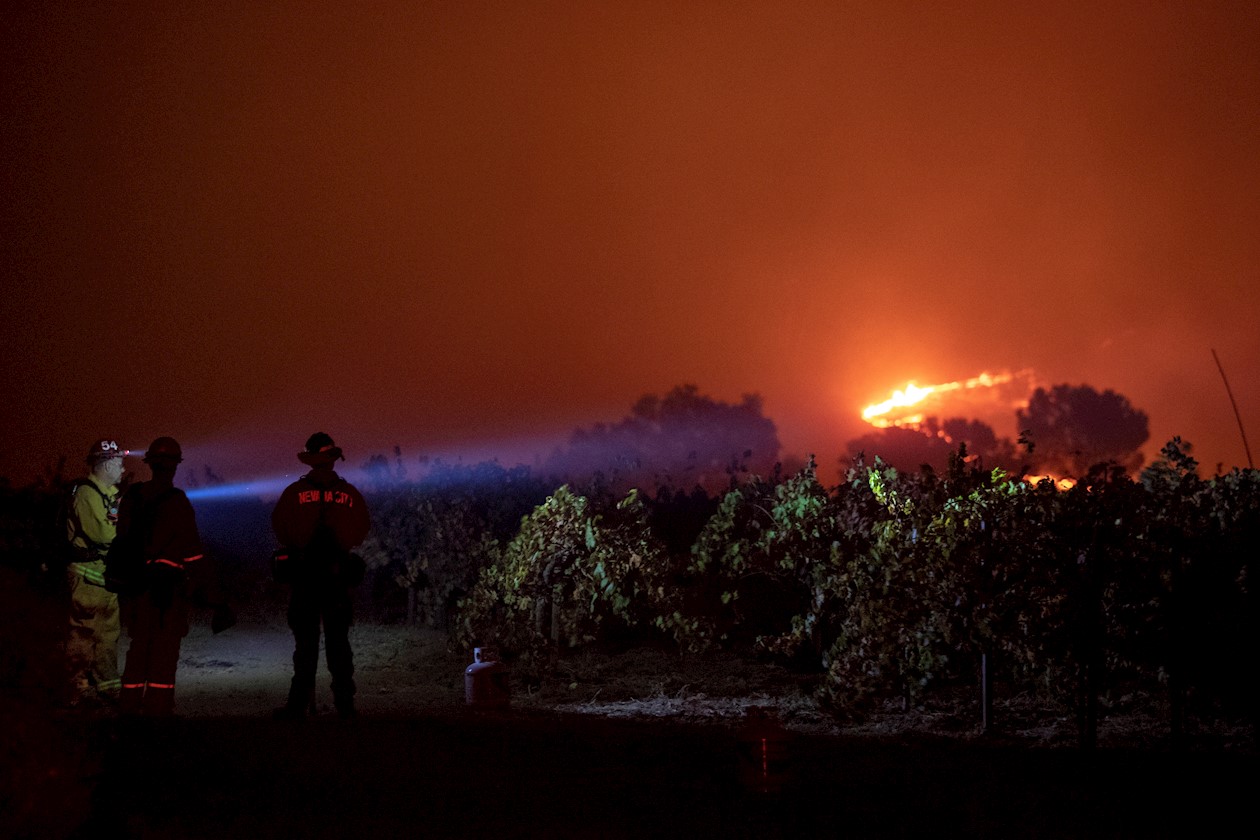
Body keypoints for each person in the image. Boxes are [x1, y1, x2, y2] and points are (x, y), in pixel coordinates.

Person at [116, 436, 234, 717]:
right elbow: (193, 553)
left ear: (151, 464)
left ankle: (129, 707)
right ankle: (158, 708)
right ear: (174, 467)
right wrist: (214, 596)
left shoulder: (132, 497)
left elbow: (121, 538)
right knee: (164, 650)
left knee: (138, 646)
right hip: (167, 590)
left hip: (136, 586)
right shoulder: (177, 502)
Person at [271, 432, 371, 720]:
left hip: (304, 577)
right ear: (333, 460)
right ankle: (345, 704)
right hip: (337, 578)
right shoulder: (350, 494)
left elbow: (280, 528)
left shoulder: (293, 493)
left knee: (305, 644)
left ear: (311, 461)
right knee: (338, 642)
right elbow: (361, 529)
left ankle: (298, 704)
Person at [64, 439, 126, 706]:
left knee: (107, 635)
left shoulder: (108, 493)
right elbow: (103, 534)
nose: (123, 469)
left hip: (104, 579)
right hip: (87, 577)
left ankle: (108, 686)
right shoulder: (87, 494)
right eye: (120, 463)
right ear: (108, 464)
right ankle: (77, 687)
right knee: (83, 634)